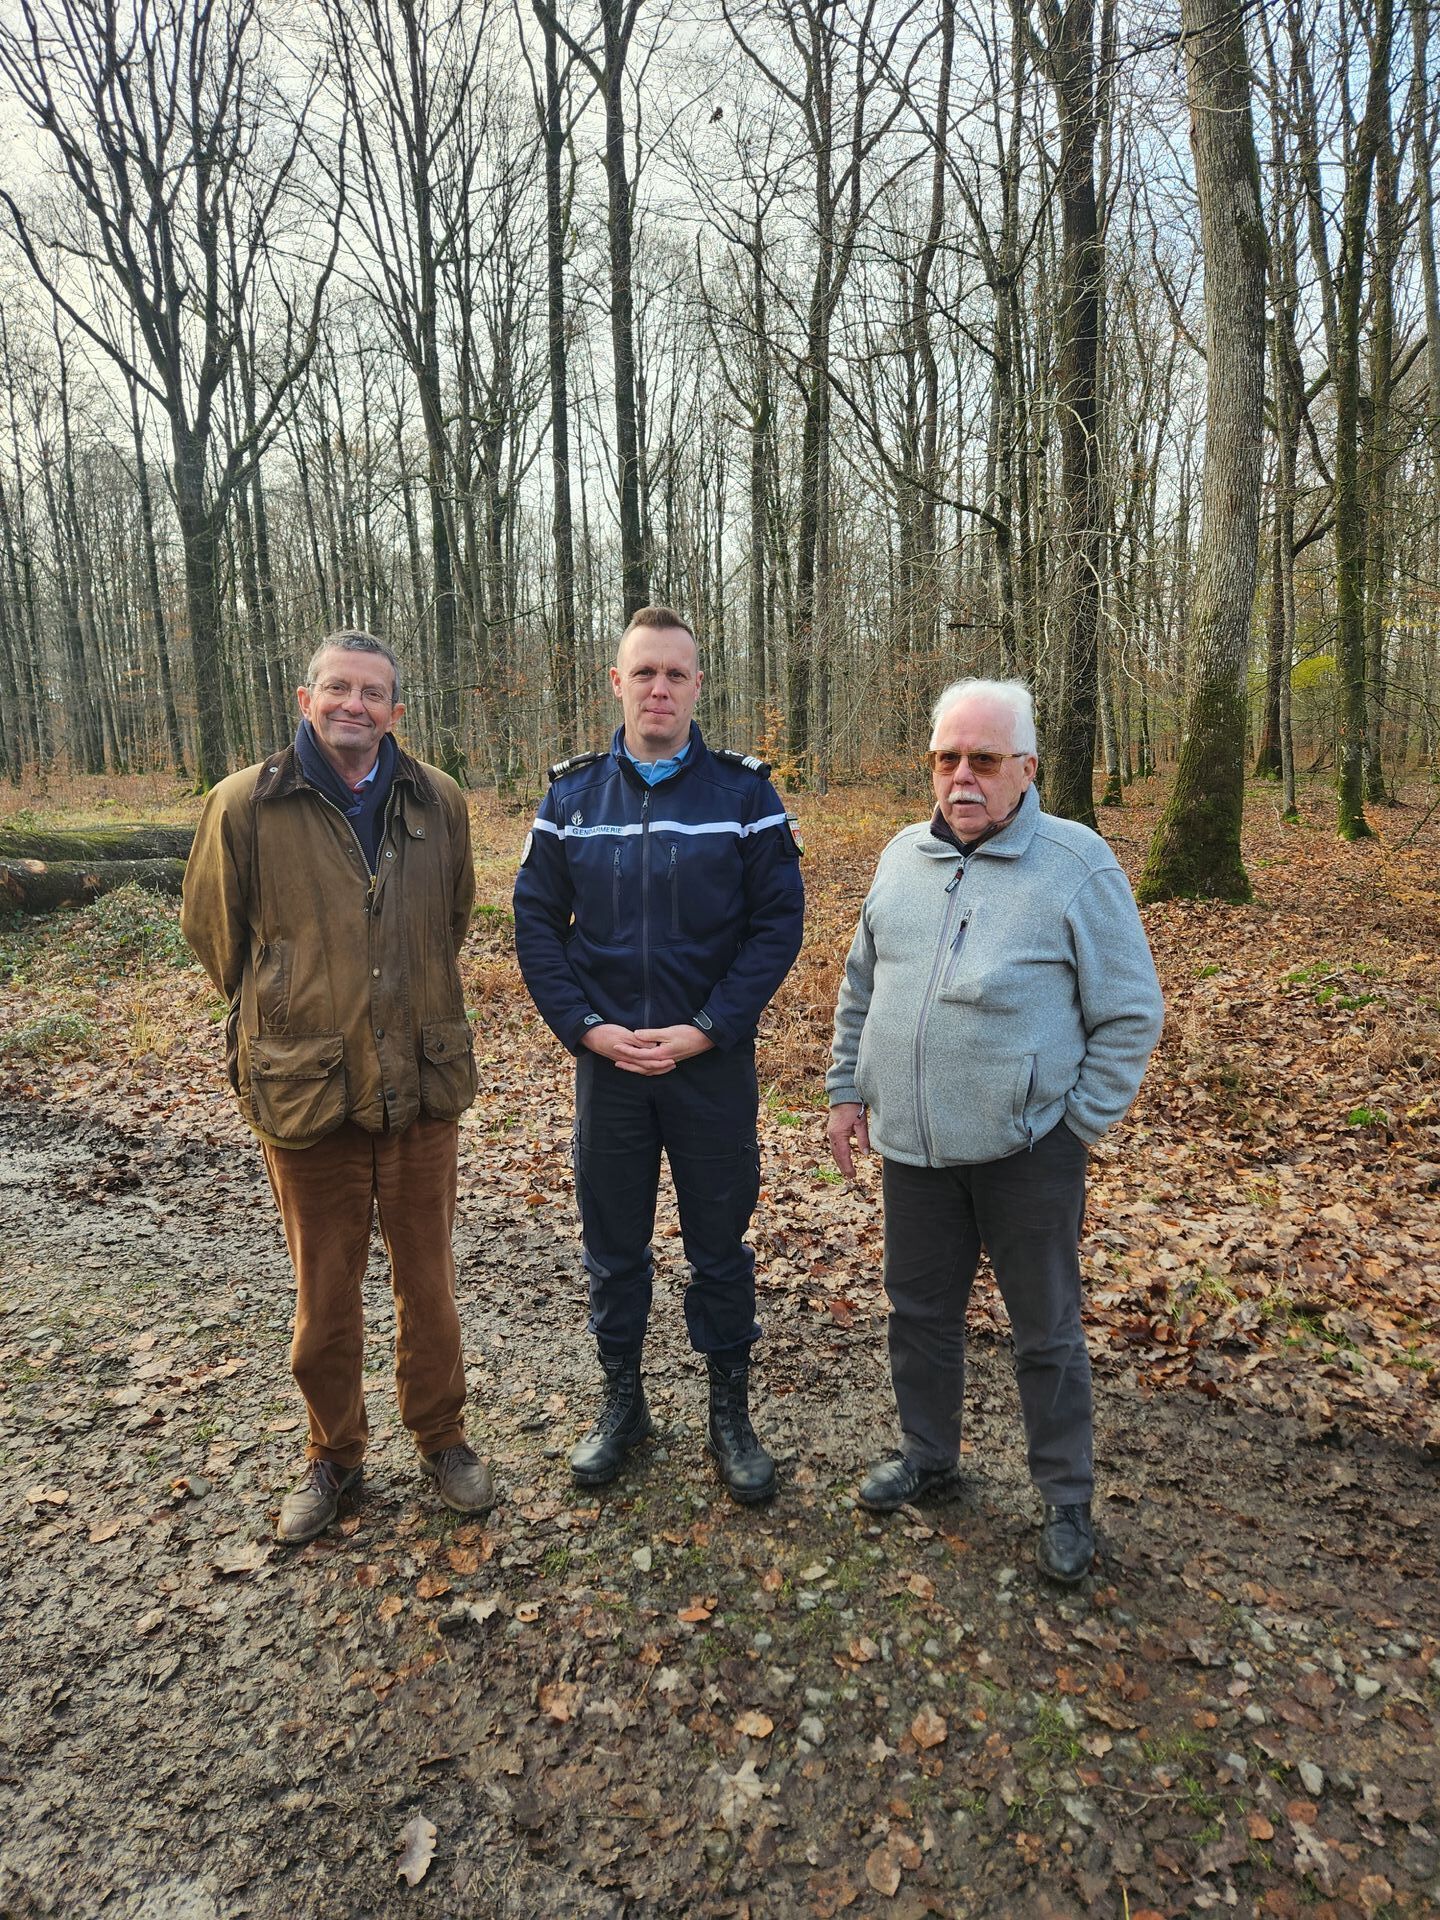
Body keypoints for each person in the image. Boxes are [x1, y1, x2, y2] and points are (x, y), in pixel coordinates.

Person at [826, 678, 1163, 1583]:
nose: (961, 776)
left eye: (983, 758)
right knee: (920, 1316)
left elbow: (1131, 1012)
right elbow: (861, 985)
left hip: (1029, 1154)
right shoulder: (901, 858)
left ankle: (1065, 1501)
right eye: (946, 757)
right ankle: (930, 1457)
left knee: (1044, 1330)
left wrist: (1074, 1126)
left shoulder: (1075, 864)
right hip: (916, 1153)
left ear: (1027, 767)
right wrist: (846, 1090)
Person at [182, 630, 494, 1545]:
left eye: (374, 693)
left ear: (397, 709)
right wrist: (298, 1013)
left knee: (429, 1285)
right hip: (306, 1093)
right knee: (324, 1293)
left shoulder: (439, 800)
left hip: (420, 1089)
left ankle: (443, 1442)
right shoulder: (244, 805)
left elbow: (452, 920)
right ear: (305, 697)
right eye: (338, 689)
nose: (355, 705)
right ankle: (334, 1456)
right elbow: (216, 940)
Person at [513, 606, 804, 1504]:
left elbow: (777, 924)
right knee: (615, 1246)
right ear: (617, 682)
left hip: (709, 1064)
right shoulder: (570, 798)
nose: (660, 688)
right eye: (644, 673)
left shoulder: (744, 796)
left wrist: (712, 1024)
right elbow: (534, 922)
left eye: (676, 674)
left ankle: (730, 1412)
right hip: (609, 1067)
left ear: (698, 685)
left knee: (720, 1245)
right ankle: (623, 1403)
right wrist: (587, 1029)